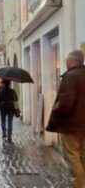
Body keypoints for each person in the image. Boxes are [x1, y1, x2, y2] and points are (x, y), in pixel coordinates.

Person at [46, 50, 85, 188]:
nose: (65, 62)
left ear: (71, 61)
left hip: (71, 125)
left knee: (72, 157)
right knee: (82, 157)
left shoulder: (71, 77)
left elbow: (65, 103)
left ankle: (79, 185)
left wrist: (55, 117)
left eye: (66, 60)